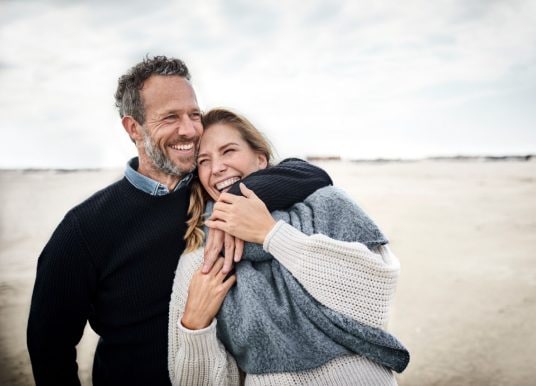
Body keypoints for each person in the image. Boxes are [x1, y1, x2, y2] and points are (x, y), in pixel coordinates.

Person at [27, 56, 332, 386]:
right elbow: (49, 347)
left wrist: (240, 195)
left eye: (193, 115)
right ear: (134, 128)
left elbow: (312, 174)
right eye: (170, 117)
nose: (189, 130)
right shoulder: (84, 228)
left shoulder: (211, 189)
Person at [168, 109, 409, 385]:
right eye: (204, 161)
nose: (217, 167)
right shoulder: (204, 257)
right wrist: (195, 327)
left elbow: (375, 301)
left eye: (228, 151)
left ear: (260, 159)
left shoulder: (328, 204)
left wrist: (271, 234)